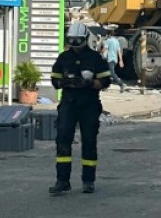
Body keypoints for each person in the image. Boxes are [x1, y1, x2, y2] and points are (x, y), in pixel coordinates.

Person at [49, 22, 112, 195]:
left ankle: (88, 181)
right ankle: (62, 181)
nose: (75, 45)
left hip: (89, 104)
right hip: (69, 104)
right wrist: (64, 82)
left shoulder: (95, 58)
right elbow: (54, 79)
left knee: (89, 142)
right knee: (63, 140)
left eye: (78, 40)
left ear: (84, 39)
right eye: (72, 40)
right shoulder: (63, 58)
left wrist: (91, 83)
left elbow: (106, 81)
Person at [101, 25, 125, 92]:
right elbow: (119, 51)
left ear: (108, 34)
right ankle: (105, 87)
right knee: (107, 73)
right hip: (115, 60)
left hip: (110, 59)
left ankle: (121, 84)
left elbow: (105, 49)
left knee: (111, 73)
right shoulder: (116, 41)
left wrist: (99, 52)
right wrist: (121, 60)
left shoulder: (108, 41)